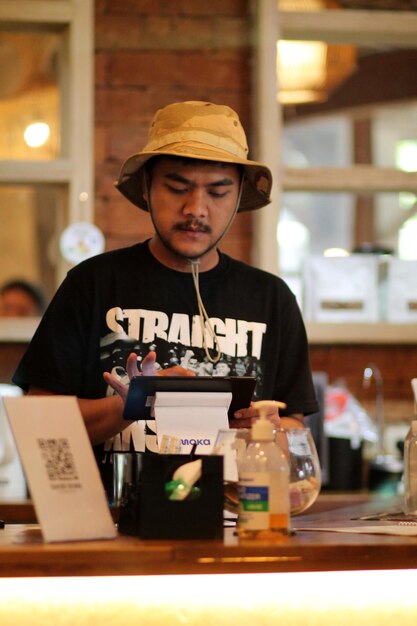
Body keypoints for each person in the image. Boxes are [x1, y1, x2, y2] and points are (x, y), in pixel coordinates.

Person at [12, 100, 318, 488]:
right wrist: (131, 403)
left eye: (218, 192)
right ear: (147, 186)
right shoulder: (92, 283)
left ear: (239, 195)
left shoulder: (271, 298)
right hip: (111, 532)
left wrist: (270, 431)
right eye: (177, 188)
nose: (196, 209)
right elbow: (39, 423)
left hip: (239, 527)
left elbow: (295, 430)